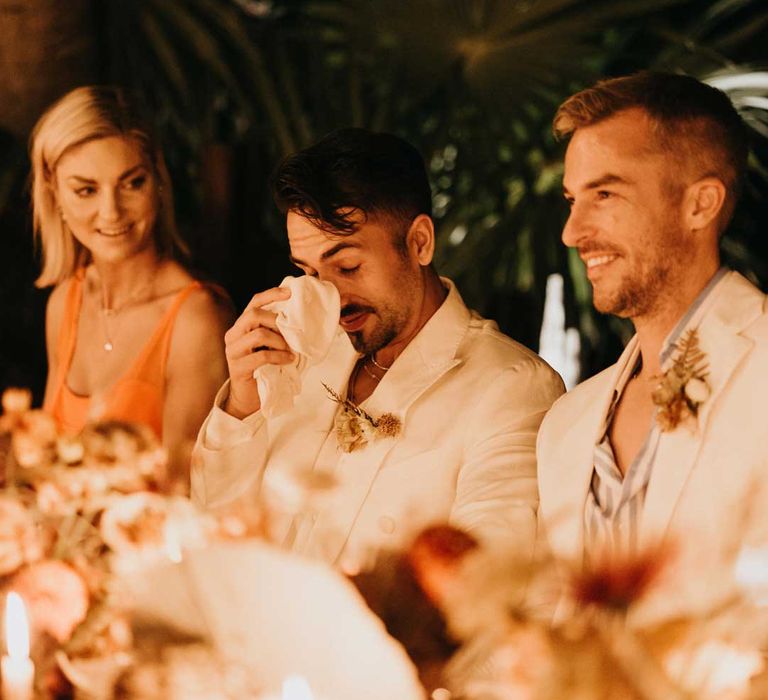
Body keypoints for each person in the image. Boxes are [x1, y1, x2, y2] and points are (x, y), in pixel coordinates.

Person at [191, 127, 564, 569]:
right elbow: (214, 534)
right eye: (310, 272)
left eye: (347, 265)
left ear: (419, 242)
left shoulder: (511, 388)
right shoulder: (299, 360)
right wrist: (242, 406)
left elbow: (484, 584)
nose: (331, 295)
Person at [536, 71, 768, 624]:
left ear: (700, 204)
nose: (572, 231)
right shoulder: (565, 425)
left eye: (606, 193)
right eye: (572, 198)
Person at [31, 86, 232, 488]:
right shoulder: (64, 302)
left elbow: (185, 495)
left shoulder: (195, 319)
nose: (111, 212)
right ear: (54, 194)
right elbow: (43, 463)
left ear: (158, 181)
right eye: (86, 190)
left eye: (131, 183)